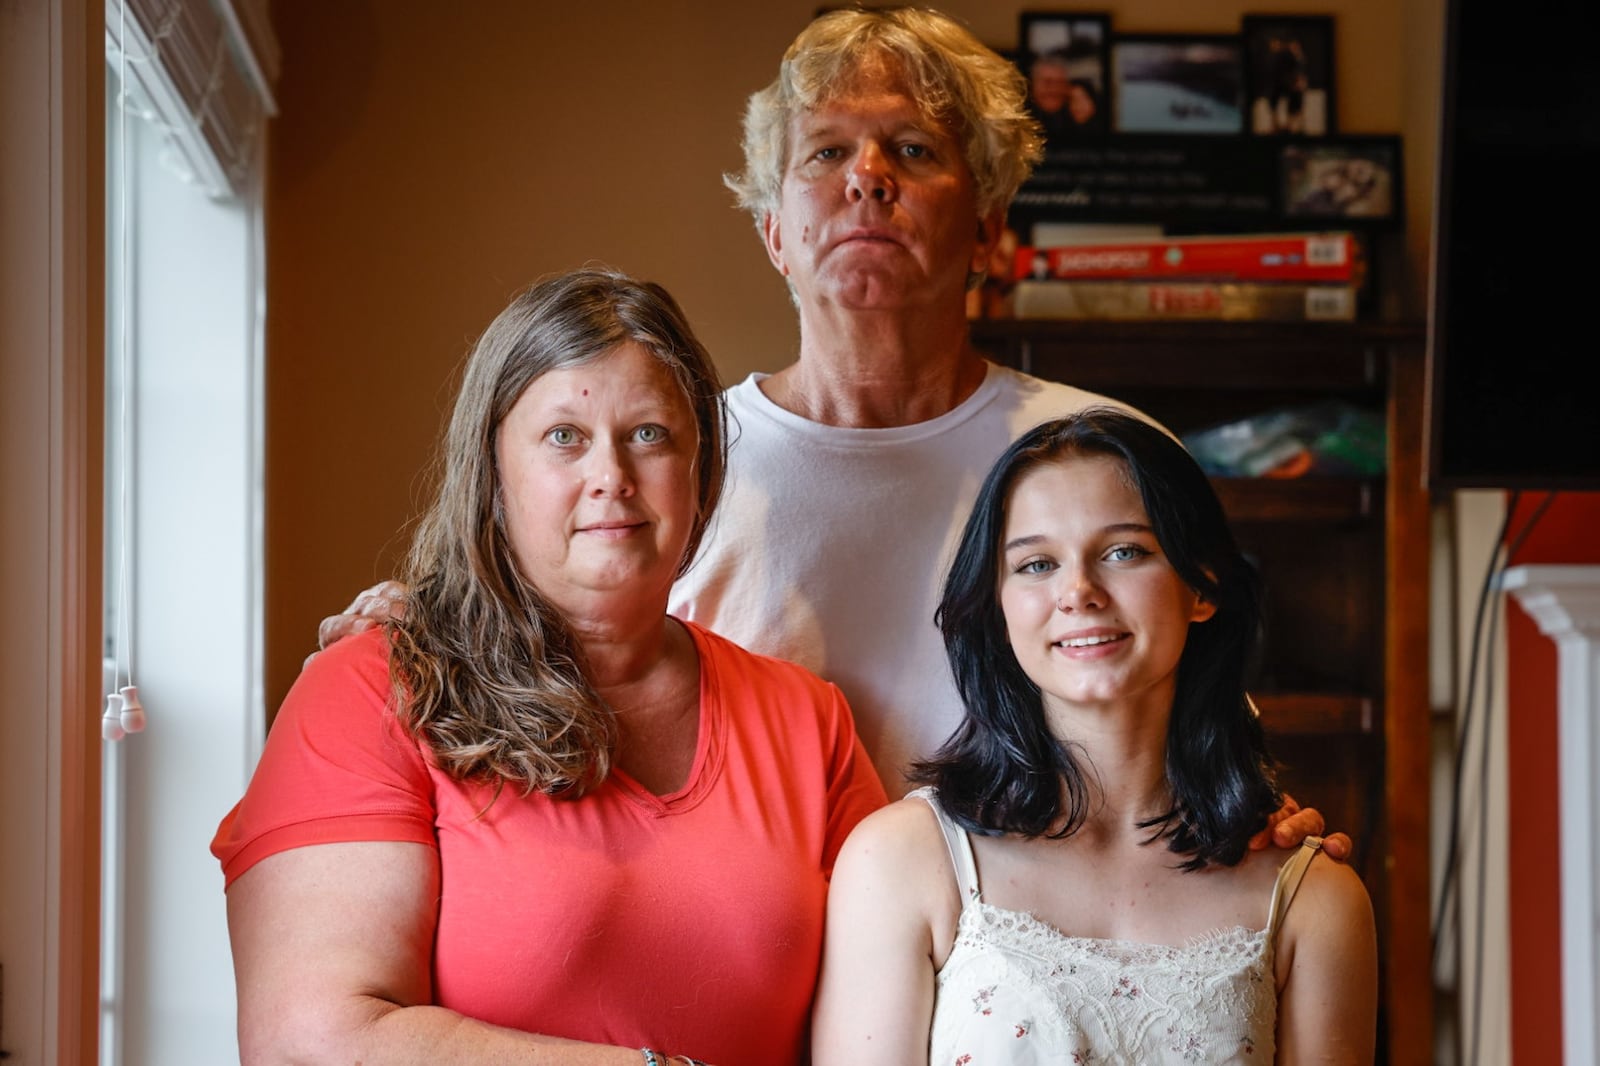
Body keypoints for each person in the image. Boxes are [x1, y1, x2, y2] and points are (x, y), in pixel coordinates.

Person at [318, 6, 1342, 855]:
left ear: (989, 227)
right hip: (766, 961)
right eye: (827, 153)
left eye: (910, 149)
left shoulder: (1099, 453)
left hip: (1054, 963)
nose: (866, 178)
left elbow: (1204, 726)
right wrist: (428, 621)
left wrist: (1271, 826)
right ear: (774, 231)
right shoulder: (671, 466)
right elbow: (552, 653)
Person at [212, 268, 888, 1065]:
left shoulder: (807, 720)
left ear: (700, 475)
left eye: (649, 434)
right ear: (495, 478)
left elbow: (899, 1001)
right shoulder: (369, 692)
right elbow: (311, 1040)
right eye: (565, 437)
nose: (612, 476)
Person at [811, 408, 1378, 1064]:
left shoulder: (1314, 898)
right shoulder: (903, 862)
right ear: (996, 607)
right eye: (1035, 564)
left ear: (1203, 585)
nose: (1077, 591)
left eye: (1123, 552)